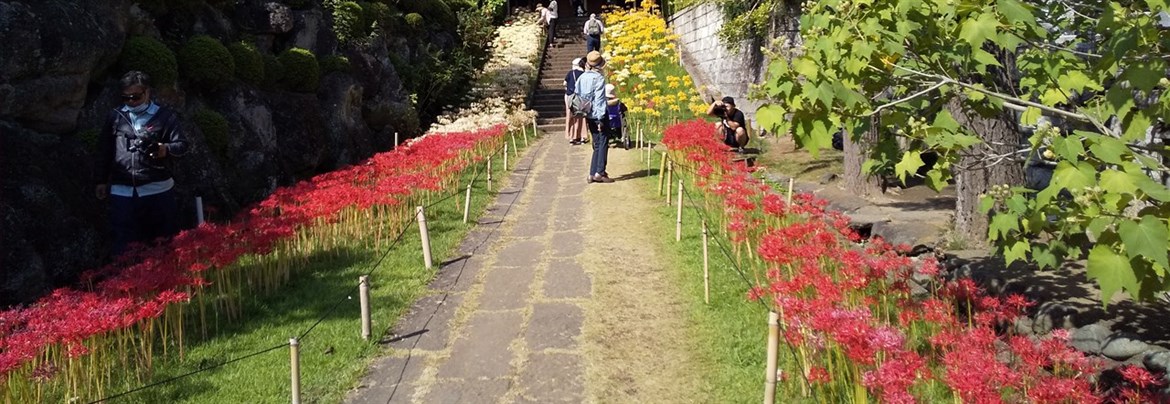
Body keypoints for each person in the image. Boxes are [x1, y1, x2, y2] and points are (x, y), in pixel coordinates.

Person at [94, 71, 190, 257]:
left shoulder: (165, 116)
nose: (131, 101)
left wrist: (165, 149)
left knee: (163, 244)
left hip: (157, 189)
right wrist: (101, 180)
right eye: (126, 97)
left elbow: (182, 145)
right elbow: (104, 150)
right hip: (122, 190)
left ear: (147, 93)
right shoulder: (114, 117)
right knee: (123, 246)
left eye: (136, 97)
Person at [575, 51, 613, 183]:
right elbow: (600, 100)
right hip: (598, 114)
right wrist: (601, 118)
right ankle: (600, 172)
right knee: (603, 142)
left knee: (596, 143)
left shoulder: (581, 77)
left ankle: (592, 173)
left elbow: (578, 96)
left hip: (587, 113)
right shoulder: (598, 78)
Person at [563, 57, 589, 145]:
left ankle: (571, 137)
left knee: (570, 116)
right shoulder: (584, 74)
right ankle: (582, 136)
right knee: (582, 116)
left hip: (570, 96)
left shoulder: (570, 73)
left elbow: (564, 83)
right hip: (581, 97)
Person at [603, 83, 629, 149]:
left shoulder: (603, 103)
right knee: (622, 120)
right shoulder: (618, 103)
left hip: (606, 122)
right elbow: (625, 109)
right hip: (617, 123)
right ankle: (622, 136)